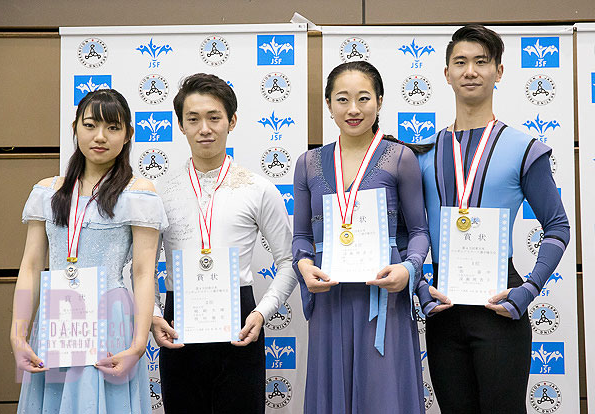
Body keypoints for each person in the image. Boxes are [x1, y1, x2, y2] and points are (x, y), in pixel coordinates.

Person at [416, 25, 570, 414]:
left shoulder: (525, 149)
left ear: (499, 71)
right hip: (444, 311)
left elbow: (557, 226)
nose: (470, 71)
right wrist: (419, 286)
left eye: (481, 62)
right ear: (446, 73)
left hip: (501, 306)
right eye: (460, 62)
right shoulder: (423, 152)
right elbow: (410, 232)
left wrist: (529, 289)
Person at [11, 89, 167, 413]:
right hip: (57, 318)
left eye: (113, 127)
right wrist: (18, 332)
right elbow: (30, 265)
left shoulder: (139, 193)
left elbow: (143, 272)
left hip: (112, 318)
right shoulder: (46, 190)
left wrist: (139, 346)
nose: (100, 136)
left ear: (127, 136)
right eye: (91, 124)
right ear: (75, 128)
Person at [150, 73, 298, 413]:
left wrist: (262, 313)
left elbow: (289, 261)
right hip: (178, 328)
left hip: (240, 327)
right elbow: (137, 267)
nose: (205, 128)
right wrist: (155, 314)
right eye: (193, 119)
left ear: (232, 121)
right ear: (180, 125)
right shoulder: (159, 192)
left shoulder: (257, 188)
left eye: (214, 117)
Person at [292, 61, 430, 414]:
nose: (353, 109)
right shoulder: (308, 163)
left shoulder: (400, 158)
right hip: (330, 297)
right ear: (328, 105)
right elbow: (302, 237)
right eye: (342, 99)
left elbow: (419, 231)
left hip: (383, 298)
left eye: (363, 98)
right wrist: (305, 266)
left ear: (380, 101)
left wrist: (409, 270)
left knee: (383, 397)